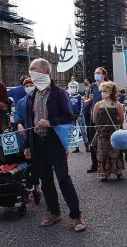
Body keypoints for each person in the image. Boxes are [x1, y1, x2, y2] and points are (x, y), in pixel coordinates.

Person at [24, 58, 85, 231]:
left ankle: (76, 216)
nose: (30, 72)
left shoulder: (59, 93)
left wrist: (51, 121)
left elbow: (69, 117)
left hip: (55, 141)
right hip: (37, 142)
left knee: (63, 178)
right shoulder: (31, 95)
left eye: (33, 69)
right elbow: (29, 120)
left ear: (44, 71)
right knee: (46, 180)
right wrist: (28, 144)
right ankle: (54, 211)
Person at [92, 81, 124, 181]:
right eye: (102, 91)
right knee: (102, 154)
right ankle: (103, 173)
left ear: (111, 92)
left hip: (114, 133)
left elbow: (121, 119)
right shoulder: (98, 104)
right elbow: (94, 119)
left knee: (116, 152)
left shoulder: (117, 104)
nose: (102, 93)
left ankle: (118, 172)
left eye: (105, 91)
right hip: (102, 133)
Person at [14, 77, 41, 194]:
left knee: (37, 160)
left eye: (31, 85)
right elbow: (17, 115)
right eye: (27, 86)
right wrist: (19, 124)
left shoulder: (39, 100)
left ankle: (37, 184)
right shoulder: (21, 101)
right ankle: (29, 185)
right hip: (25, 135)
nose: (29, 88)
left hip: (38, 134)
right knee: (27, 161)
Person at [85, 67, 108, 173]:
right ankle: (95, 164)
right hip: (93, 118)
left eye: (98, 73)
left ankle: (107, 163)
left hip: (106, 117)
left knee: (106, 140)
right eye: (95, 73)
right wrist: (89, 99)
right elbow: (86, 102)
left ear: (104, 74)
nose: (96, 75)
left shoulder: (109, 85)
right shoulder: (92, 87)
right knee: (93, 142)